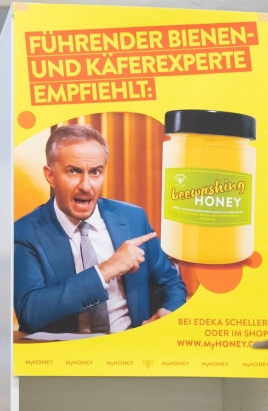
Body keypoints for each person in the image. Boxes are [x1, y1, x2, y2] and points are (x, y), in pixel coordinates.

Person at [14, 123, 187, 335]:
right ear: (50, 176)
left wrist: (167, 312)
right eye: (74, 171)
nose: (86, 186)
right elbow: (30, 312)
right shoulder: (25, 232)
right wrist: (105, 270)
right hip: (64, 358)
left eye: (95, 172)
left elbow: (171, 282)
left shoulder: (133, 218)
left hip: (129, 350)